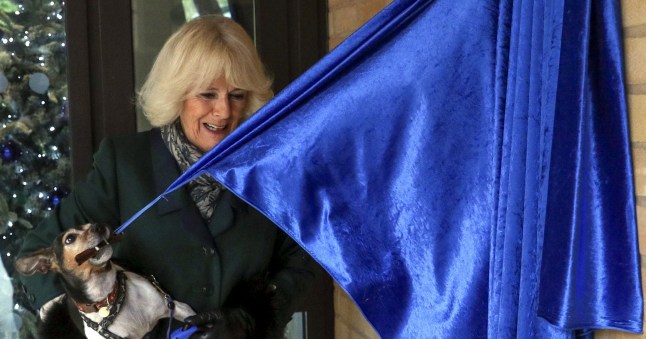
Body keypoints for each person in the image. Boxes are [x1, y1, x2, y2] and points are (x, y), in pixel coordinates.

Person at [18, 15, 313, 338]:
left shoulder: (268, 168)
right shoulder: (125, 164)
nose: (224, 111)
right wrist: (92, 321)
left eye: (237, 95)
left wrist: (250, 318)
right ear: (178, 93)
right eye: (207, 94)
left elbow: (301, 261)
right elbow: (38, 253)